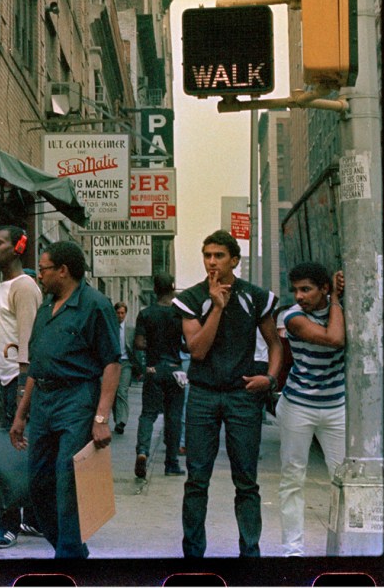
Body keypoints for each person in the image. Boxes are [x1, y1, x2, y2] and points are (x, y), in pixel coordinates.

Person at [174, 230, 281, 558]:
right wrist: (217, 307)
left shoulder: (255, 297)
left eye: (219, 256)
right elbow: (198, 351)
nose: (212, 262)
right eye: (207, 255)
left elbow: (276, 344)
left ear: (234, 260)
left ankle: (250, 553)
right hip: (204, 394)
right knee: (196, 480)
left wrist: (270, 378)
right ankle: (193, 555)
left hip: (242, 394)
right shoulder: (192, 298)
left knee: (246, 480)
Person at [9, 241, 119, 559]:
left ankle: (67, 556)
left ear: (63, 271)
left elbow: (112, 363)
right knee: (38, 482)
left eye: (43, 269)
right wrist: (21, 414)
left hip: (77, 398)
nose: (39, 276)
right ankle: (71, 548)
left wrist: (101, 418)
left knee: (67, 479)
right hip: (43, 399)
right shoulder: (46, 307)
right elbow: (37, 363)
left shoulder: (96, 305)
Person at [276, 264, 346, 557]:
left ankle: (344, 546)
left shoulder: (341, 310)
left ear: (324, 289)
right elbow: (334, 339)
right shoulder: (292, 316)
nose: (299, 296)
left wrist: (340, 299)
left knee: (344, 480)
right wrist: (339, 302)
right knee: (292, 479)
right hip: (298, 407)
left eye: (306, 289)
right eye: (296, 290)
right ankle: (293, 551)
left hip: (336, 406)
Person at [0, 225, 41, 548]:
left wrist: (22, 392)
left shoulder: (24, 287)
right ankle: (31, 518)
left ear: (17, 247)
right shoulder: (7, 285)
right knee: (22, 453)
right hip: (8, 380)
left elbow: (29, 343)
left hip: (18, 383)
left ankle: (6, 526)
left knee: (10, 455)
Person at [132, 272, 186, 479]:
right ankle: (171, 463)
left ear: (154, 290)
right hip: (175, 370)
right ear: (172, 288)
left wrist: (152, 346)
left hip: (154, 369)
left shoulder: (146, 314)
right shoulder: (179, 314)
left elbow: (138, 343)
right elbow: (187, 344)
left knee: (148, 414)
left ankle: (143, 451)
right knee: (174, 417)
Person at [111, 302, 132, 435]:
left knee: (122, 391)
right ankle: (117, 418)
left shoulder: (130, 328)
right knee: (112, 392)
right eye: (118, 313)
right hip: (112, 363)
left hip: (126, 363)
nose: (120, 316)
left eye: (122, 313)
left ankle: (121, 421)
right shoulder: (110, 326)